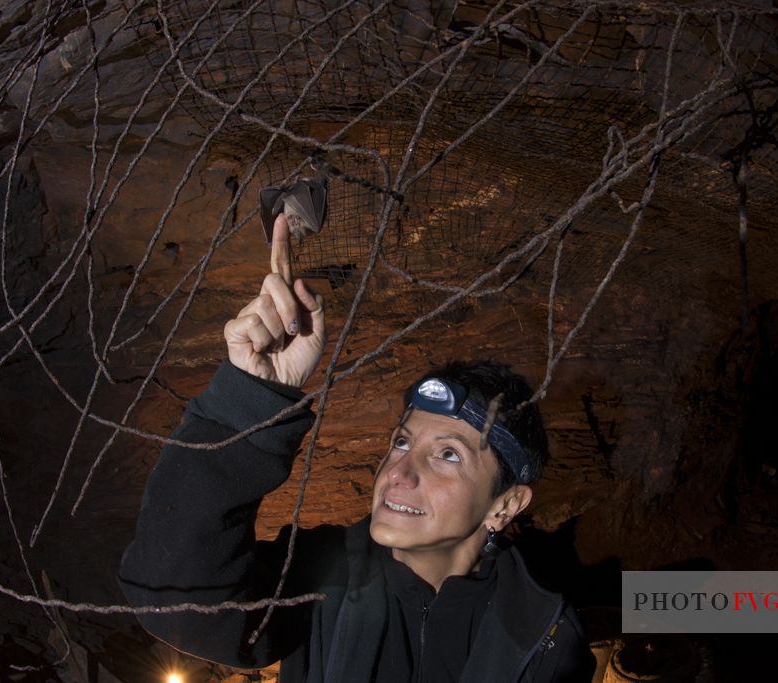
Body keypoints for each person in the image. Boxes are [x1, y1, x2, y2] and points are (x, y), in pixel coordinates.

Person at [119, 215, 595, 682]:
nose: (399, 473)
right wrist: (251, 399)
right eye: (401, 442)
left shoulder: (545, 634)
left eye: (448, 454)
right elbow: (172, 596)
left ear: (505, 504)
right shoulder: (323, 577)